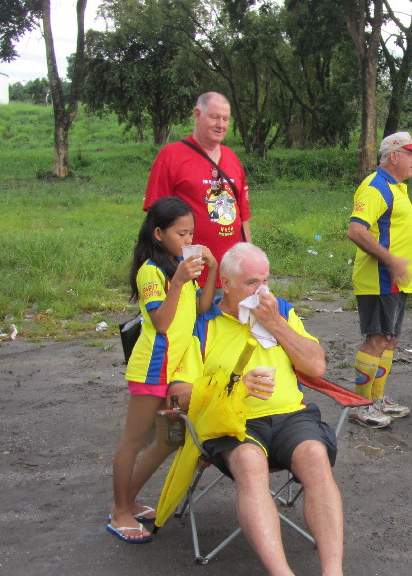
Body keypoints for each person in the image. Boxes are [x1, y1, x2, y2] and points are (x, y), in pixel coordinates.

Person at [194, 243, 342, 575]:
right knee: (249, 462)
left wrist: (275, 323)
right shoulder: (203, 323)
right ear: (226, 284)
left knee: (315, 456)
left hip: (291, 415)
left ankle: (333, 571)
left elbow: (316, 367)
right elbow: (183, 392)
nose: (262, 291)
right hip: (234, 420)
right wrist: (234, 384)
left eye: (265, 280)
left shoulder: (281, 311)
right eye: (251, 282)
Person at [108, 197, 217, 543]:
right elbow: (161, 321)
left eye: (191, 234)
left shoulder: (177, 265)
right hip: (153, 367)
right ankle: (119, 512)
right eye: (181, 234)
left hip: (176, 368)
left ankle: (128, 500)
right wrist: (179, 282)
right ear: (158, 233)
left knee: (168, 440)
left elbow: (201, 309)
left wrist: (212, 269)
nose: (188, 240)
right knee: (133, 441)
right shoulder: (151, 271)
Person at [346, 131, 412, 428]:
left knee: (390, 339)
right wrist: (391, 260)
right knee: (377, 339)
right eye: (411, 154)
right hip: (379, 278)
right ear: (394, 155)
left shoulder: (397, 187)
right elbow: (356, 231)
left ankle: (377, 398)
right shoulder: (375, 187)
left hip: (396, 281)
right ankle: (360, 405)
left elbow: (388, 229)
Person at [143, 92, 251, 288]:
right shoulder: (171, 156)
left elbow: (243, 218)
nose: (221, 124)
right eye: (214, 117)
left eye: (225, 119)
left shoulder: (232, 158)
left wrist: (249, 264)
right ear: (197, 115)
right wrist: (167, 275)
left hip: (230, 277)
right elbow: (155, 221)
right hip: (188, 278)